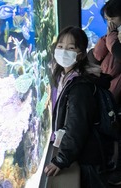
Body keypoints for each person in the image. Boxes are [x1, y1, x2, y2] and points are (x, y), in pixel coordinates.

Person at [43, 26, 113, 188]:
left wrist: (61, 159)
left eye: (71, 47)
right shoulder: (64, 76)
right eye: (60, 46)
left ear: (80, 53)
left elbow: (77, 125)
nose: (63, 51)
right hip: (82, 150)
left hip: (88, 155)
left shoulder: (80, 86)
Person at [88, 0, 121, 185]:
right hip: (106, 93)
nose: (110, 23)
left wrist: (112, 39)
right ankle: (108, 165)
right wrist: (108, 38)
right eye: (107, 19)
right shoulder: (111, 36)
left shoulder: (115, 39)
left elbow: (118, 56)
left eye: (113, 18)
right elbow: (95, 56)